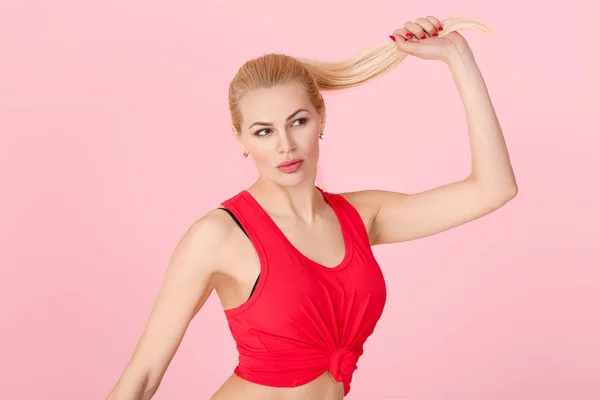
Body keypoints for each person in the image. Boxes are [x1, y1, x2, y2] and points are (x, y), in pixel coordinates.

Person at [106, 15, 517, 400]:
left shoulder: (362, 216)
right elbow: (142, 376)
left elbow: (493, 189)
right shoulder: (218, 235)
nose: (285, 144)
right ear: (241, 140)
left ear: (321, 118)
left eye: (297, 121)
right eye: (263, 131)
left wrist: (459, 58)